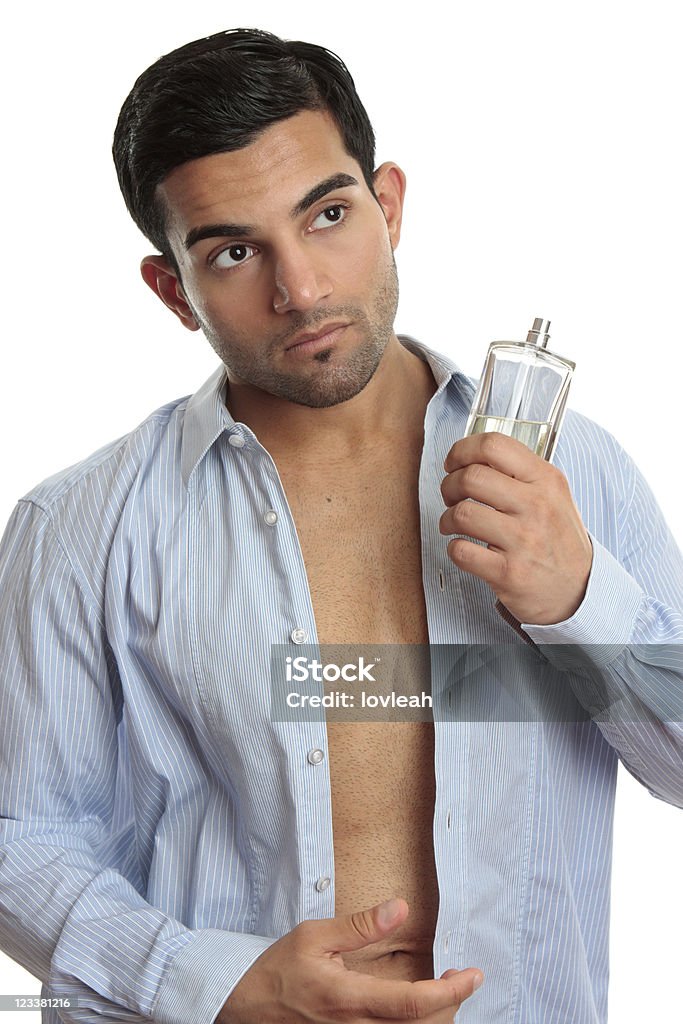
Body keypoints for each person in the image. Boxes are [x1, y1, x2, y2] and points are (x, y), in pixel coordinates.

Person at [0, 26, 681, 1024]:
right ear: (170, 291)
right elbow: (22, 833)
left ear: (388, 203)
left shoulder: (568, 472)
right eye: (233, 251)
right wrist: (214, 982)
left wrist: (580, 594)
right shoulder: (80, 528)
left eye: (326, 214)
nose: (301, 290)